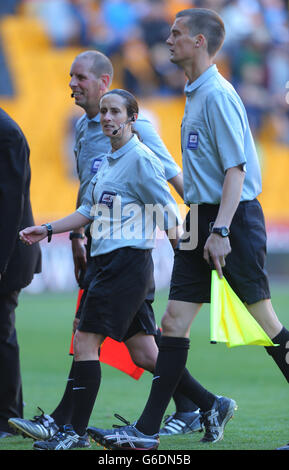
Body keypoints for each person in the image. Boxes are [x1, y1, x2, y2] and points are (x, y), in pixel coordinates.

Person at [86, 8, 289, 451]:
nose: (169, 39)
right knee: (173, 323)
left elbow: (235, 170)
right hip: (201, 216)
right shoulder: (196, 92)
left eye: (177, 33)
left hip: (228, 218)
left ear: (199, 41)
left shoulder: (217, 94)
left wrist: (220, 230)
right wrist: (203, 224)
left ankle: (151, 428)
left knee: (266, 324)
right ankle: (145, 432)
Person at [8, 50, 202, 443]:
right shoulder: (90, 136)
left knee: (86, 339)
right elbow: (88, 202)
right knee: (142, 351)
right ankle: (203, 403)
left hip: (126, 258)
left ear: (105, 82)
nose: (72, 84)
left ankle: (66, 427)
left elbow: (169, 189)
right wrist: (57, 232)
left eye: (80, 77)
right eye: (70, 77)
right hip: (100, 250)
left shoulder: (139, 142)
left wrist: (193, 246)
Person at [0, 108, 41, 438]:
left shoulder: (7, 133)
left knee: (2, 332)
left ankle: (9, 419)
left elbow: (11, 207)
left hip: (10, 254)